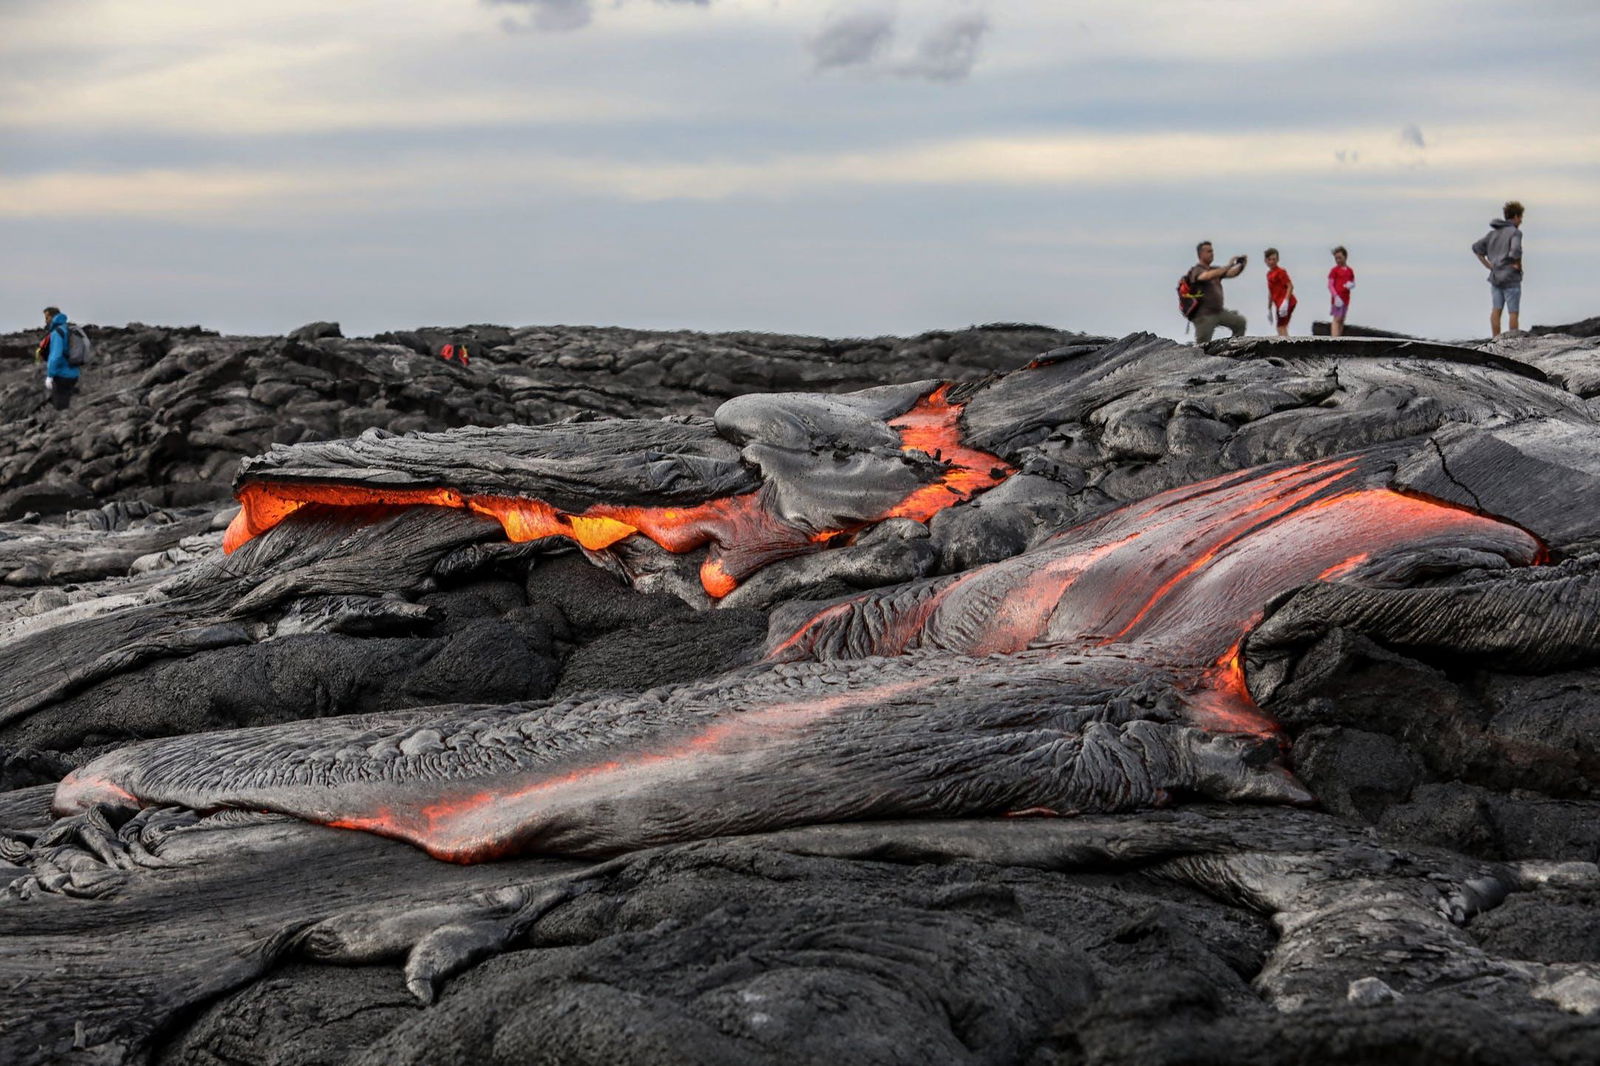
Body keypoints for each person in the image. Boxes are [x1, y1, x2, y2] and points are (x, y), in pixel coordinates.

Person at [1472, 201, 1524, 337]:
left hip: (1495, 276)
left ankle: (1495, 339)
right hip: (1511, 277)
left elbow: (1476, 248)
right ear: (1516, 216)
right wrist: (1516, 264)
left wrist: (1488, 265)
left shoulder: (1492, 234)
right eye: (1521, 217)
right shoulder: (1515, 233)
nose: (1521, 221)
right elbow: (1515, 251)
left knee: (1496, 310)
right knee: (1513, 312)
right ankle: (1513, 340)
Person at [1187, 241, 1248, 343]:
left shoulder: (1215, 269)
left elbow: (1231, 273)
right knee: (1202, 345)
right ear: (1201, 254)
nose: (1212, 253)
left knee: (1240, 323)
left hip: (1219, 312)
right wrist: (1229, 265)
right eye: (1209, 251)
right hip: (1204, 315)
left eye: (1212, 251)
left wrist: (1241, 265)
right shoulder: (1197, 270)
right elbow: (1207, 276)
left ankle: (1233, 347)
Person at [39, 307, 81, 410]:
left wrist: (50, 376)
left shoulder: (57, 332)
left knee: (60, 407)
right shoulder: (67, 328)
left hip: (62, 375)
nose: (45, 320)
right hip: (73, 373)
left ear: (53, 317)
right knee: (67, 403)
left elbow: (55, 356)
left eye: (47, 317)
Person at [1264, 248, 1296, 337]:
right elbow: (1271, 292)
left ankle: (1287, 347)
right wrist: (1269, 309)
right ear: (1265, 260)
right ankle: (1285, 345)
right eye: (1269, 259)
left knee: (1281, 326)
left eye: (1274, 259)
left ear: (1277, 260)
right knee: (1280, 326)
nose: (1272, 262)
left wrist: (1285, 301)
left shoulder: (1281, 272)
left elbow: (1290, 286)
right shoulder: (1269, 274)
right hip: (1278, 303)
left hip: (1286, 303)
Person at [1327, 246, 1355, 337]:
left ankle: (1339, 336)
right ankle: (1334, 338)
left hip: (1345, 298)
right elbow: (1330, 285)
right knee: (1337, 318)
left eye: (1340, 258)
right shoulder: (1334, 270)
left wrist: (1351, 284)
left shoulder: (1350, 270)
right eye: (1336, 258)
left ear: (1345, 257)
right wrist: (1336, 297)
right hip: (1337, 299)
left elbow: (1352, 281)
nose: (1338, 260)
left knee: (1342, 319)